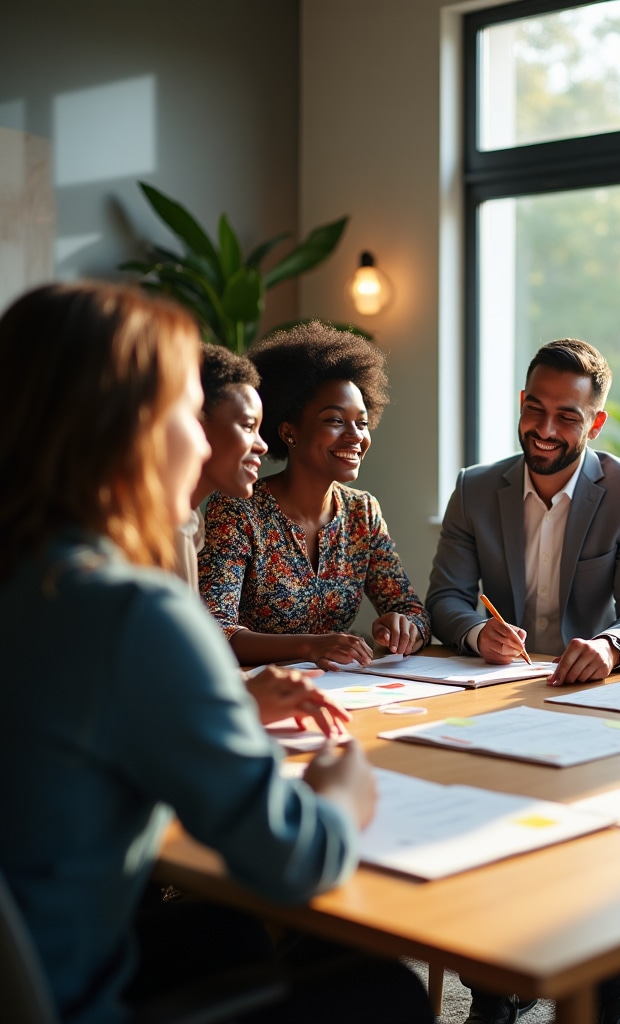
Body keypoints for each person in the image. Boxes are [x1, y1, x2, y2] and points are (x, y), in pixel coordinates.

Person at [0, 282, 433, 1022]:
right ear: (124, 428)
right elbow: (295, 858)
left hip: (36, 961)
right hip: (82, 998)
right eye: (185, 416)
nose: (204, 444)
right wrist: (341, 796)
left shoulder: (31, 578)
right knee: (383, 988)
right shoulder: (130, 608)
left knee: (228, 933)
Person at [427, 338, 620, 1024]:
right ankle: (493, 991)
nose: (544, 429)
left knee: (612, 831)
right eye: (535, 408)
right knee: (468, 815)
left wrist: (612, 646)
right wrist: (478, 633)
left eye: (567, 416)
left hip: (591, 700)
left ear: (595, 424)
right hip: (497, 694)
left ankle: (603, 994)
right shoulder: (477, 486)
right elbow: (445, 597)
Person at [199, 321, 430, 670]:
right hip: (263, 696)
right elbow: (214, 632)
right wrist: (311, 647)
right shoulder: (237, 510)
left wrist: (404, 627)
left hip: (348, 693)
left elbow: (414, 612)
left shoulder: (361, 511)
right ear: (289, 432)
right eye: (335, 420)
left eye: (362, 423)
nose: (355, 436)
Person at [177, 343, 348, 737]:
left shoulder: (187, 524)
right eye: (246, 426)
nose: (262, 445)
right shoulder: (163, 530)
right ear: (194, 425)